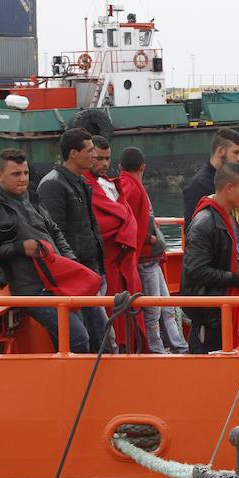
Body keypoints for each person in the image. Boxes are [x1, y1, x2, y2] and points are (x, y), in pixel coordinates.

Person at [0, 149, 90, 352]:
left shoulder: (32, 198)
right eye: (16, 174)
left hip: (57, 281)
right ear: (0, 175)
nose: (23, 178)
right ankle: (79, 382)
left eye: (25, 173)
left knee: (80, 334)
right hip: (30, 289)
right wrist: (20, 248)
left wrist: (71, 261)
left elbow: (55, 231)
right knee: (77, 338)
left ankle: (68, 381)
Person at [37, 128, 112, 353]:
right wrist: (73, 271)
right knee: (92, 337)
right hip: (75, 277)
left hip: (89, 271)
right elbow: (53, 233)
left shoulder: (78, 182)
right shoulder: (54, 185)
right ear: (73, 153)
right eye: (89, 151)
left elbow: (88, 227)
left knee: (100, 335)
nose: (94, 155)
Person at [181, 163, 239, 353]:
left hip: (228, 307)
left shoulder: (235, 216)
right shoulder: (204, 223)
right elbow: (196, 270)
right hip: (211, 315)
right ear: (229, 188)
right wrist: (237, 279)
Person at [119, 147, 188, 354]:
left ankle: (176, 345)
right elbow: (132, 223)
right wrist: (149, 237)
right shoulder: (132, 188)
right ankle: (158, 349)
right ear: (143, 167)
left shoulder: (128, 186)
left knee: (165, 306)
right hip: (146, 259)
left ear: (120, 166)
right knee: (154, 308)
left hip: (150, 258)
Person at [83, 136, 146, 352]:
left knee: (128, 315)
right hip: (108, 264)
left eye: (107, 158)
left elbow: (127, 219)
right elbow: (119, 220)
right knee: (111, 321)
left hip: (122, 262)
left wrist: (127, 223)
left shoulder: (110, 185)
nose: (103, 163)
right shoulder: (89, 186)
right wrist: (127, 224)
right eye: (98, 158)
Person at [182, 128, 239, 231]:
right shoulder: (198, 186)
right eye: (236, 153)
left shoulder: (230, 181)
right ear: (221, 151)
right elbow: (192, 232)